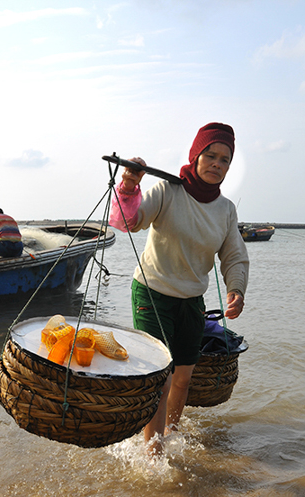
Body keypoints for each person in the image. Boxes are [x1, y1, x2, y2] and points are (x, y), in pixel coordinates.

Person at [109, 122, 249, 456]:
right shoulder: (168, 192)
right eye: (211, 155)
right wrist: (129, 183)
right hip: (153, 292)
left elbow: (234, 256)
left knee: (183, 378)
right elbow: (129, 221)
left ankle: (169, 433)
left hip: (191, 300)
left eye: (225, 160)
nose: (217, 164)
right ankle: (153, 452)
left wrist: (237, 291)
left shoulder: (226, 210)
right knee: (161, 377)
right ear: (195, 155)